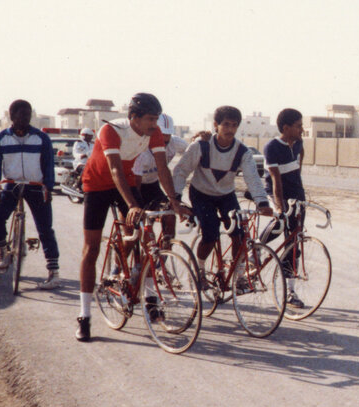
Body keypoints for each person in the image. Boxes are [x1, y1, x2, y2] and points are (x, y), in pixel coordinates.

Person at [75, 93, 191, 342]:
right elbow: (114, 169)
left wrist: (175, 202)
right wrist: (132, 205)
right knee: (91, 248)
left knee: (146, 239)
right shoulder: (111, 130)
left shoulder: (155, 133)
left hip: (126, 183)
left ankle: (147, 295)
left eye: (157, 119)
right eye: (150, 119)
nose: (154, 124)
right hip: (97, 185)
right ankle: (84, 316)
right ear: (133, 117)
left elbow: (162, 169)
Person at [172, 105, 272, 284]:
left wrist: (262, 202)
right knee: (210, 235)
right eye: (226, 124)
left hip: (226, 195)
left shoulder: (242, 151)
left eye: (234, 125)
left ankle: (236, 275)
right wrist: (176, 198)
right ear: (216, 125)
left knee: (239, 235)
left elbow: (253, 178)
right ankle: (200, 270)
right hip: (201, 194)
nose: (230, 129)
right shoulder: (201, 145)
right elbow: (181, 171)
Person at [0, 99, 61, 288]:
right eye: (22, 115)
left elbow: (48, 165)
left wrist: (49, 187)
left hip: (35, 186)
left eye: (29, 116)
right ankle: (3, 250)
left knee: (45, 228)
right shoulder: (0, 138)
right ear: (12, 117)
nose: (26, 119)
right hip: (10, 185)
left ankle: (53, 272)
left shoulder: (41, 138)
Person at [263, 108, 307, 308]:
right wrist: (280, 208)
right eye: (298, 126)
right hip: (275, 191)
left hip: (296, 195)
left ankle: (290, 292)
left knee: (295, 241)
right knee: (280, 223)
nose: (302, 129)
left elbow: (299, 165)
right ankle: (256, 249)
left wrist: (300, 193)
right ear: (286, 127)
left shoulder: (298, 143)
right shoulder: (272, 147)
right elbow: (276, 181)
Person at [132, 113, 188, 240]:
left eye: (168, 135)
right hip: (136, 185)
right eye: (162, 134)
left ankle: (163, 249)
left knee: (169, 213)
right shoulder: (143, 149)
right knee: (139, 228)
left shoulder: (175, 142)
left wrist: (200, 139)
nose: (165, 138)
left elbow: (194, 151)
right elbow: (136, 181)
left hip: (153, 184)